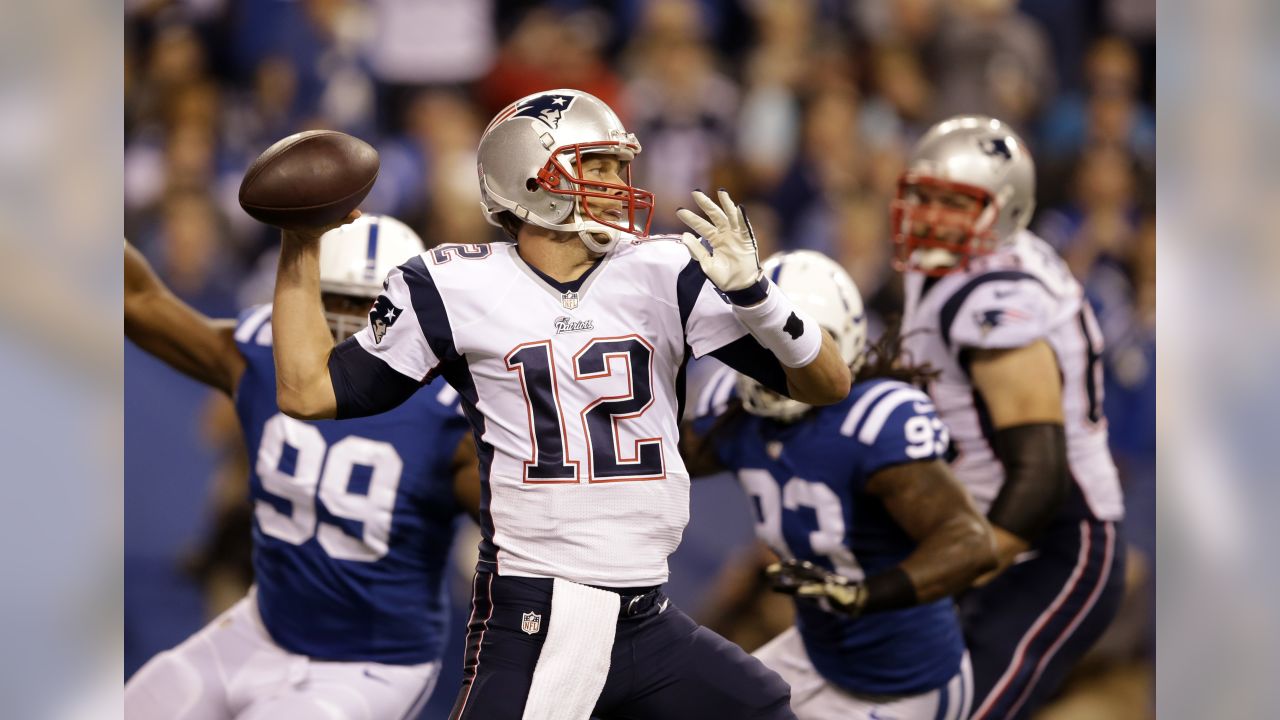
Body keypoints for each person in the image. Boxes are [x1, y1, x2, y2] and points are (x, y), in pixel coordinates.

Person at [265, 88, 852, 720]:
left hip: (645, 612)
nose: (614, 182)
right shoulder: (454, 284)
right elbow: (308, 391)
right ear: (529, 177)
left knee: (764, 708)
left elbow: (827, 384)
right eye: (594, 166)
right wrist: (302, 242)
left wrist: (759, 296)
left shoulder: (666, 272)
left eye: (617, 167)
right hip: (541, 611)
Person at [124, 215, 480, 719]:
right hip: (262, 628)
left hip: (373, 664)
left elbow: (520, 532)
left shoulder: (450, 416)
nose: (357, 325)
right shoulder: (262, 354)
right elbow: (136, 300)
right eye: (338, 301)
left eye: (375, 306)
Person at [686, 250, 998, 720]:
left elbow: (972, 544)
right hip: (817, 648)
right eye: (761, 339)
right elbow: (659, 456)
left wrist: (863, 594)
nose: (776, 359)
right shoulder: (733, 408)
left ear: (840, 344)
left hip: (905, 679)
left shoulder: (872, 422)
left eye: (794, 342)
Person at [892, 115, 1127, 720]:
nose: (930, 216)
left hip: (1050, 541)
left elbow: (1038, 478)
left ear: (1007, 211)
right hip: (989, 530)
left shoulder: (997, 292)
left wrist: (930, 576)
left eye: (954, 203)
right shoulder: (951, 261)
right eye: (923, 195)